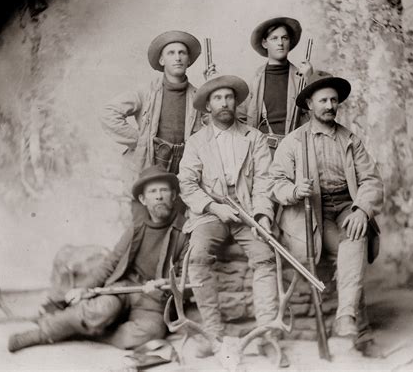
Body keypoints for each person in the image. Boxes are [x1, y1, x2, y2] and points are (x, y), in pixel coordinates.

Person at [8, 166, 189, 352]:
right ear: (143, 200)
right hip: (125, 289)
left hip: (155, 302)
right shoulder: (136, 229)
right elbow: (111, 262)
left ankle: (80, 331)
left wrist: (165, 283)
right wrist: (83, 288)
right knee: (99, 310)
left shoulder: (186, 231)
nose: (159, 196)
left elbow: (189, 279)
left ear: (173, 195)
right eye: (153, 191)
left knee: (149, 333)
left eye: (164, 190)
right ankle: (41, 334)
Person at [269, 70, 384, 337]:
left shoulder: (350, 139)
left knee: (356, 234)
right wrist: (295, 191)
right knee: (350, 248)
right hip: (312, 214)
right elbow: (276, 182)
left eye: (333, 100)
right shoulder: (294, 142)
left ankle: (346, 318)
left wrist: (361, 210)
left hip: (346, 206)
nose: (330, 106)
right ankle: (358, 327)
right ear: (309, 104)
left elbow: (372, 180)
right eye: (323, 101)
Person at [178, 75, 278, 355]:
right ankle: (213, 335)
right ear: (207, 106)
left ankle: (265, 334)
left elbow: (264, 181)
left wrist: (262, 216)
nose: (224, 103)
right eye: (217, 98)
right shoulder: (196, 142)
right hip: (211, 213)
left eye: (229, 97)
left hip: (247, 210)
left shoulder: (254, 137)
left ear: (236, 102)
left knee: (266, 255)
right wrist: (213, 207)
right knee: (197, 256)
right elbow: (187, 184)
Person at [100, 30, 204, 177]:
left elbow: (218, 127)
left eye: (182, 53)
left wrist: (212, 86)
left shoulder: (198, 96)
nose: (178, 58)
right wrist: (142, 141)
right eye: (171, 53)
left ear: (189, 60)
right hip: (149, 164)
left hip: (184, 168)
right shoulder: (147, 92)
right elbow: (109, 113)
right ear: (162, 61)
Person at [238, 17, 313, 151]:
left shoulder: (301, 78)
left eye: (284, 38)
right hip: (261, 153)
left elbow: (316, 117)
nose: (280, 43)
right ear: (265, 43)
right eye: (274, 38)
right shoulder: (254, 80)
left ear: (289, 42)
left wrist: (309, 79)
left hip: (293, 152)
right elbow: (240, 120)